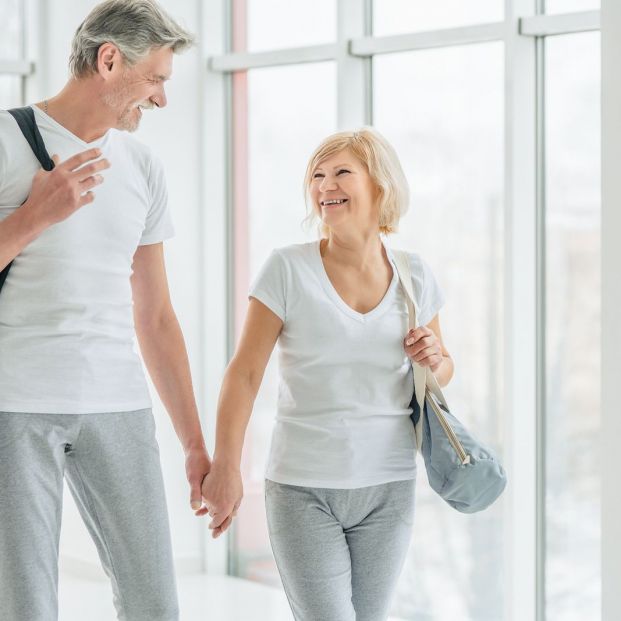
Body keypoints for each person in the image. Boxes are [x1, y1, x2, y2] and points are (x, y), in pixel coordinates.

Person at [0, 2, 209, 620]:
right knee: (26, 606)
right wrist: (36, 215)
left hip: (119, 403)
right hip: (17, 406)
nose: (162, 99)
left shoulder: (142, 165)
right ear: (109, 59)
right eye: (157, 79)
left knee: (153, 602)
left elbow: (158, 317)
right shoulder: (5, 141)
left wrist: (194, 442)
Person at [201, 127, 455, 620]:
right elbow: (244, 374)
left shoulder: (415, 274)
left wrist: (435, 356)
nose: (324, 186)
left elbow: (442, 371)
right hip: (303, 487)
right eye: (317, 175)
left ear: (379, 184)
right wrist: (227, 466)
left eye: (341, 172)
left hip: (389, 486)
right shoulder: (287, 269)